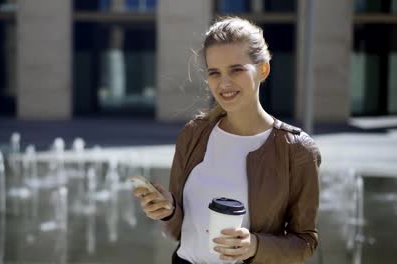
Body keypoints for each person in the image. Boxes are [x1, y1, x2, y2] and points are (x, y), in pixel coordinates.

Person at [133, 16, 321, 264]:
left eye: (236, 69)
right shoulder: (194, 134)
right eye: (214, 73)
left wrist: (255, 246)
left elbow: (305, 242)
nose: (224, 83)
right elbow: (179, 231)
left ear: (263, 69)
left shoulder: (297, 150)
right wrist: (168, 211)